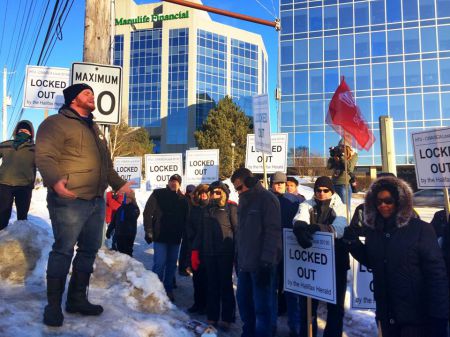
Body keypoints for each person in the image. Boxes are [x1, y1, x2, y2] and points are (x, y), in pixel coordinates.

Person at [35, 83, 134, 327]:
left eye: (92, 93)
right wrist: (54, 181)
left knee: (89, 250)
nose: (93, 96)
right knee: (63, 249)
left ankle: (77, 298)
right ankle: (53, 306)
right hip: (69, 199)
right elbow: (45, 156)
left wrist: (121, 185)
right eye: (87, 93)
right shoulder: (55, 124)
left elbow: (107, 166)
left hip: (96, 200)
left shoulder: (95, 128)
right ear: (73, 99)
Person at [344, 175, 449, 337]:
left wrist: (439, 317)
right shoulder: (373, 232)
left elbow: (437, 276)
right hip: (387, 316)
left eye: (388, 200)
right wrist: (354, 244)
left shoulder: (421, 229)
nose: (382, 205)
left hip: (417, 319)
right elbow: (375, 262)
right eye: (378, 201)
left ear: (400, 201)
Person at [292, 176, 348, 337]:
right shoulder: (308, 203)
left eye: (325, 190)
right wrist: (300, 229)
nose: (321, 193)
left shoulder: (340, 206)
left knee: (335, 308)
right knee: (308, 307)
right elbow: (300, 216)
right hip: (312, 264)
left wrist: (318, 228)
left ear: (332, 191)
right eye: (318, 190)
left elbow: (340, 228)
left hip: (336, 263)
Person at [230, 168, 281, 337]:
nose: (237, 191)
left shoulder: (268, 199)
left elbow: (272, 233)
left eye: (239, 187)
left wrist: (266, 262)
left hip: (262, 265)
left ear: (250, 182)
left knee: (262, 308)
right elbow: (241, 233)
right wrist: (238, 257)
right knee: (244, 303)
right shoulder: (243, 200)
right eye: (235, 189)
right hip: (245, 264)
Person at [191, 181, 237, 330]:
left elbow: (237, 232)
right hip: (208, 253)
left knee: (225, 285)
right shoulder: (206, 209)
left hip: (225, 254)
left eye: (218, 192)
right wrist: (195, 251)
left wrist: (238, 254)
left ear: (224, 193)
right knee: (211, 285)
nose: (214, 195)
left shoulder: (231, 208)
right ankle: (212, 316)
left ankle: (227, 317)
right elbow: (200, 232)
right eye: (213, 192)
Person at [143, 174, 189, 302]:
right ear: (168, 182)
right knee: (160, 263)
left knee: (171, 264)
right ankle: (155, 289)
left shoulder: (183, 199)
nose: (174, 183)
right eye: (172, 181)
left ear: (180, 184)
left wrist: (186, 235)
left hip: (175, 237)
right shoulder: (158, 193)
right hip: (160, 236)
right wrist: (148, 230)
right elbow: (147, 212)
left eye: (177, 182)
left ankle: (168, 288)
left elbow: (186, 219)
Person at [269, 172, 302, 334]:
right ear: (271, 184)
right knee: (272, 290)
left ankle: (294, 327)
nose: (279, 185)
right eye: (276, 183)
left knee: (292, 292)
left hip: (291, 253)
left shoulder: (296, 201)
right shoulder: (266, 201)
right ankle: (271, 325)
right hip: (272, 253)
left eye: (282, 183)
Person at [0, 120, 36, 231]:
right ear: (16, 131)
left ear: (31, 134)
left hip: (25, 186)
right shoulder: (6, 145)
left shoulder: (35, 149)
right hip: (5, 184)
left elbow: (45, 164)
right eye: (21, 130)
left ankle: (21, 240)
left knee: (22, 217)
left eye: (26, 130)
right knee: (2, 215)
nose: (23, 132)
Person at [186, 184, 209, 315]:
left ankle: (207, 304)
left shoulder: (212, 208)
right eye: (201, 193)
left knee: (208, 279)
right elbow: (189, 227)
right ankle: (198, 303)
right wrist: (193, 241)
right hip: (195, 248)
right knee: (197, 278)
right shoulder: (194, 209)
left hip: (209, 249)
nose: (203, 195)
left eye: (206, 193)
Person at [105, 191, 140, 257]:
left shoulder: (135, 208)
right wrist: (109, 231)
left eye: (129, 198)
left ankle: (129, 265)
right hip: (119, 233)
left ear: (132, 199)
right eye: (126, 198)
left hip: (129, 234)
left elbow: (133, 216)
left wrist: (126, 208)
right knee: (120, 253)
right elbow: (113, 221)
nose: (127, 199)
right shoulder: (120, 208)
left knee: (127, 252)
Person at [327, 140, 358, 209]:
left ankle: (345, 220)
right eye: (339, 147)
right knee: (333, 207)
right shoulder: (337, 155)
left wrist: (341, 157)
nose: (340, 149)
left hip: (344, 184)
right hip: (333, 184)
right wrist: (332, 157)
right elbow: (329, 167)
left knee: (345, 208)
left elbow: (349, 168)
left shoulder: (354, 155)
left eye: (342, 147)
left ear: (347, 148)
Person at [179, 184, 196, 276]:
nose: (192, 194)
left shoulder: (191, 200)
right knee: (185, 248)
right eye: (191, 192)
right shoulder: (185, 201)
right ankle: (182, 268)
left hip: (189, 227)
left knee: (188, 249)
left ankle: (186, 267)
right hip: (186, 228)